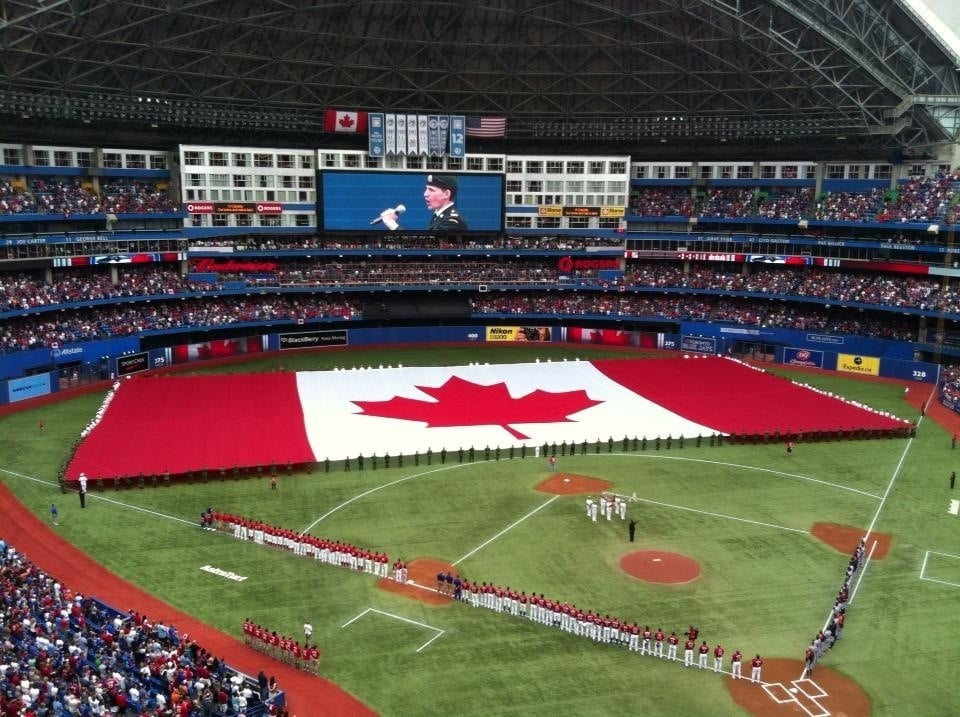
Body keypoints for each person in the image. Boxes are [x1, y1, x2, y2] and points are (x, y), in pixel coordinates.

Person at [380, 174, 467, 231]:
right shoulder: (438, 216)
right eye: (426, 189)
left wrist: (392, 224)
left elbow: (426, 247)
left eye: (431, 190)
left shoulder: (452, 222)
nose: (425, 194)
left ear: (446, 194)